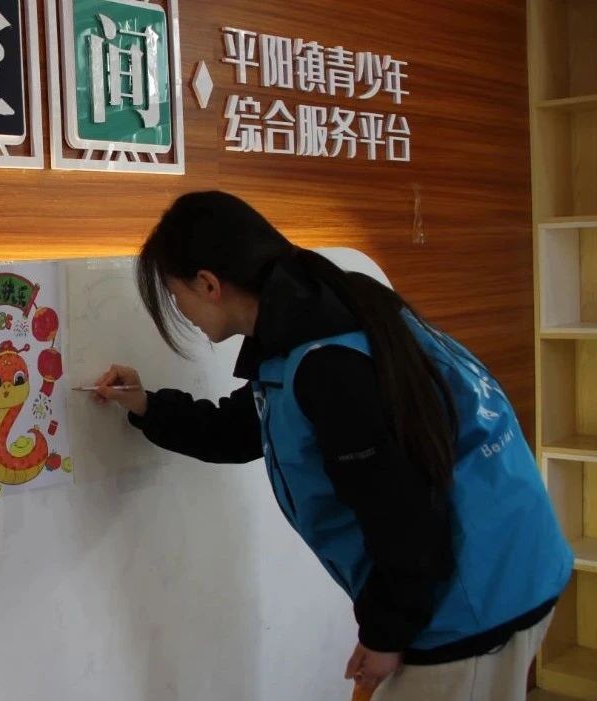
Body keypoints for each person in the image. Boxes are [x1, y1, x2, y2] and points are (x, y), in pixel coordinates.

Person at [92, 191, 573, 700]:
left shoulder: (327, 365)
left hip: (475, 595)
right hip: (508, 561)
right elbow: (245, 428)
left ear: (208, 284)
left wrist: (385, 634)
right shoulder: (317, 312)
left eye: (175, 295)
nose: (180, 312)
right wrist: (146, 405)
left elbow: (404, 515)